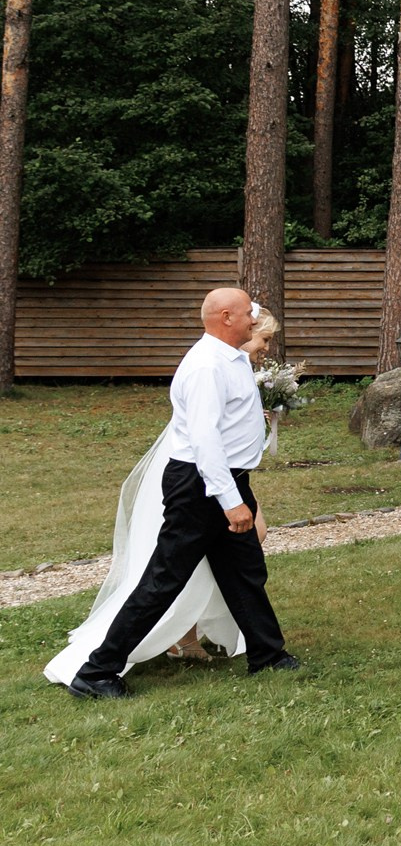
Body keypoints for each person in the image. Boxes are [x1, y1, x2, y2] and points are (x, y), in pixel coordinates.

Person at [68, 289, 296, 699]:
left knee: (245, 572)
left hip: (224, 479)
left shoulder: (230, 358)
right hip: (201, 486)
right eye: (248, 313)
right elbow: (204, 440)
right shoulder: (207, 366)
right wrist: (231, 501)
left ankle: (268, 654)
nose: (253, 317)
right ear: (226, 317)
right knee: (164, 580)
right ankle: (96, 672)